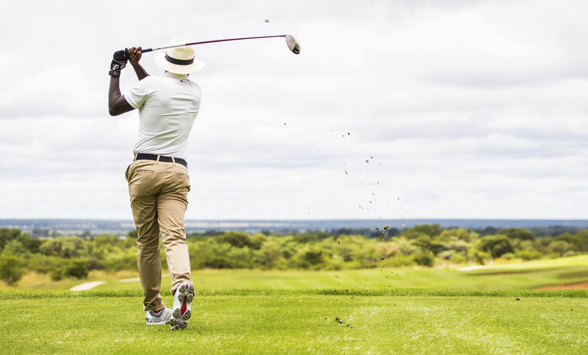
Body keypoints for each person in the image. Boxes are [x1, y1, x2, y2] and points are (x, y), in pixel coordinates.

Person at [107, 38, 205, 330]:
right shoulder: (195, 92)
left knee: (148, 242)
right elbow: (157, 90)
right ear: (190, 66)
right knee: (175, 237)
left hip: (145, 169)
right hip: (177, 171)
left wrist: (116, 69)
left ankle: (155, 309)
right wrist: (137, 66)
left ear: (166, 62)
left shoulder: (150, 87)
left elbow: (114, 107)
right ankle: (181, 285)